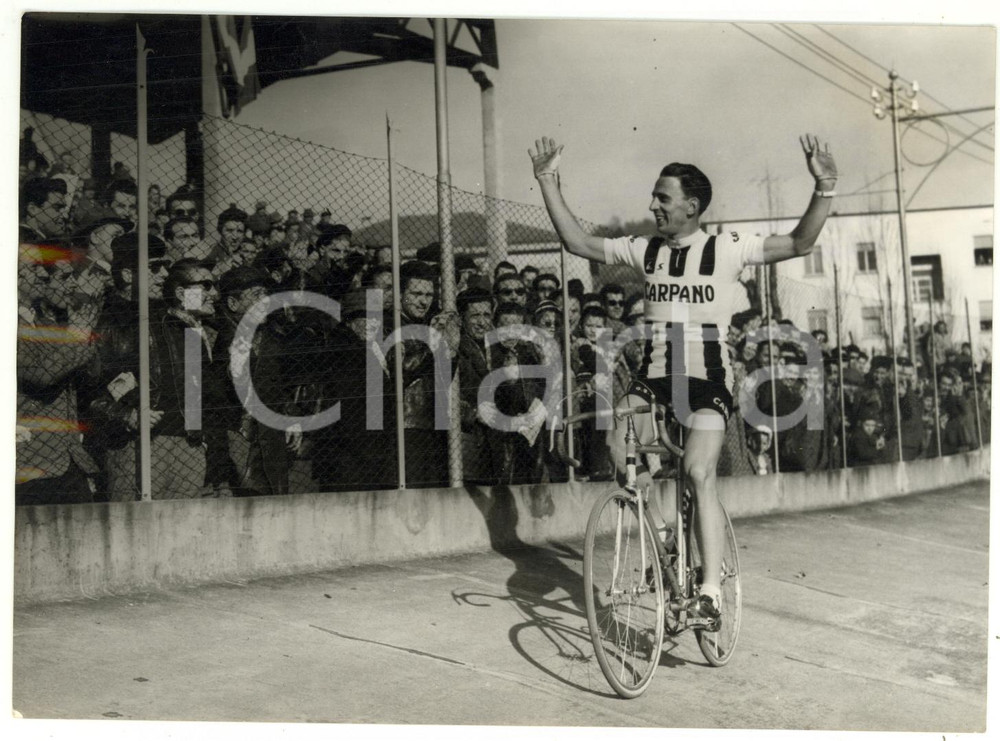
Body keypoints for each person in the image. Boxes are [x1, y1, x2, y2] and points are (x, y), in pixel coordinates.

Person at [529, 132, 838, 624]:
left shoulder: (729, 247)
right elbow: (576, 241)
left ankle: (710, 594)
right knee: (618, 453)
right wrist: (547, 180)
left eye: (662, 197)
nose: (652, 205)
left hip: (708, 383)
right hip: (653, 379)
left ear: (691, 206)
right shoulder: (644, 249)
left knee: (698, 473)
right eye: (654, 196)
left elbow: (801, 242)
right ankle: (660, 538)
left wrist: (824, 188)